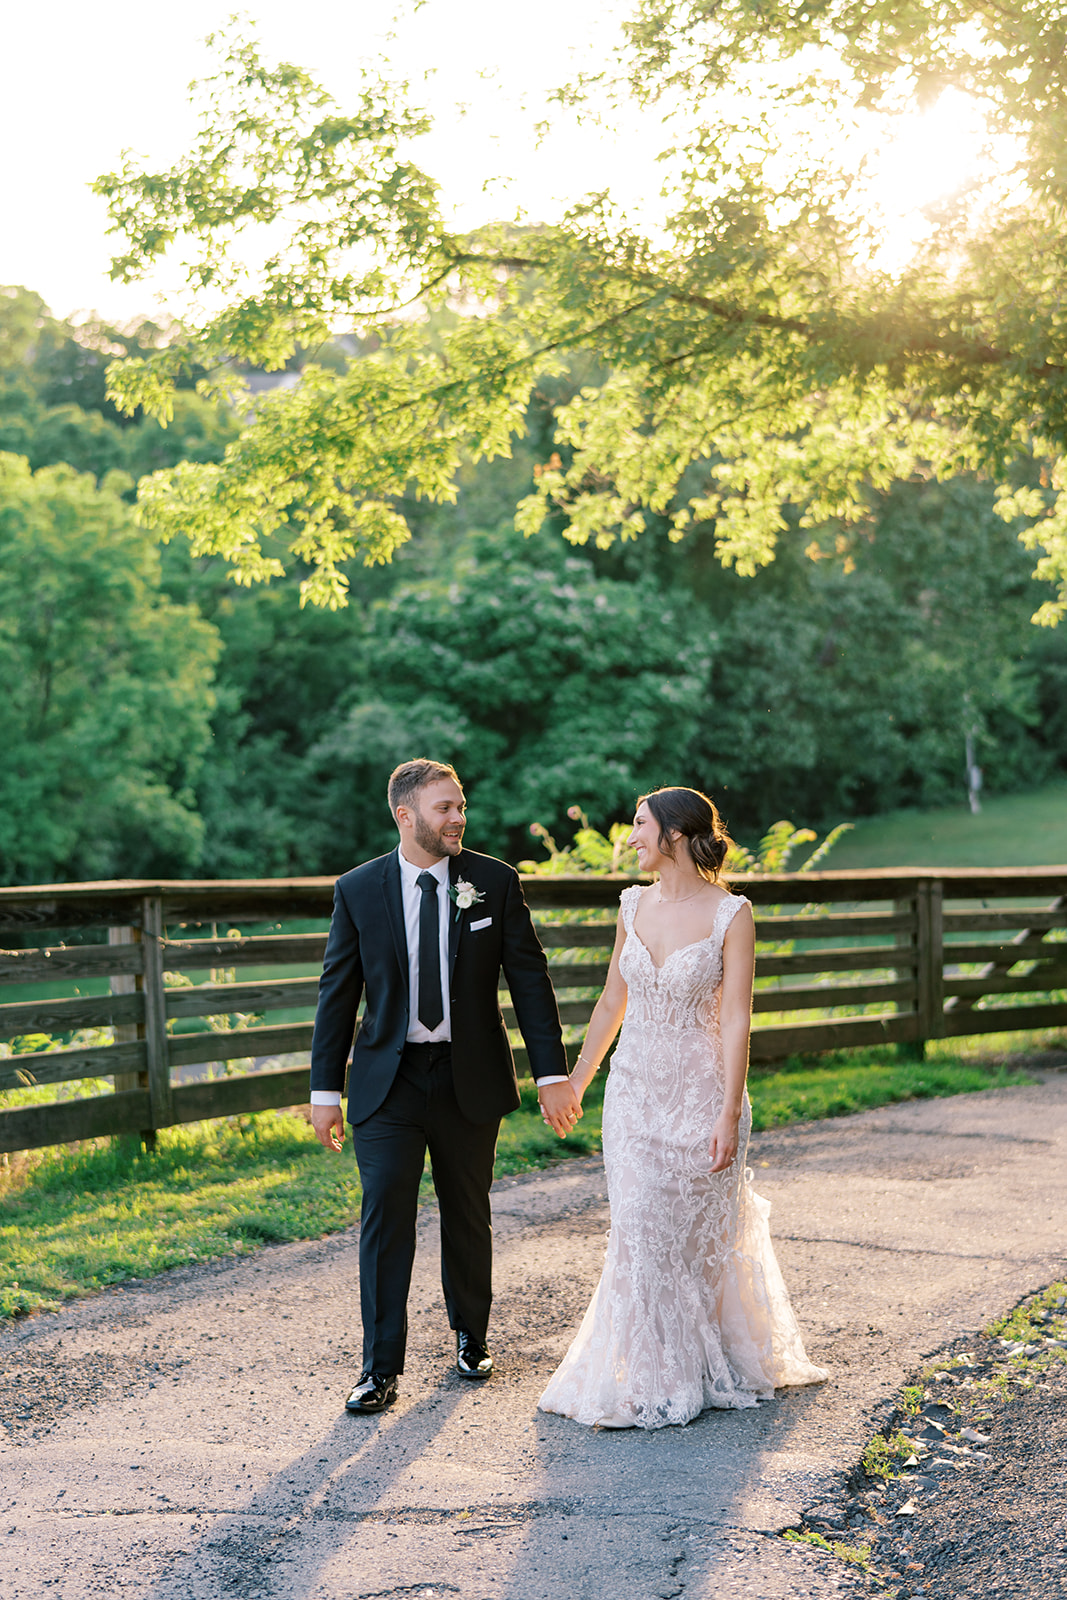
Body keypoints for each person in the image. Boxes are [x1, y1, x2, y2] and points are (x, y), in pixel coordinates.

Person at [537, 786, 827, 1429]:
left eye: (639, 826)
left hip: (702, 1097)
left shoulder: (732, 914)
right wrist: (579, 1080)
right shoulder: (630, 904)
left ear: (674, 835)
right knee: (640, 1232)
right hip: (634, 1095)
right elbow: (613, 1001)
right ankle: (650, 1377)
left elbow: (734, 1020)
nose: (630, 838)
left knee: (696, 1242)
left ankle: (700, 1358)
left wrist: (728, 1113)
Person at [310, 759, 579, 1414]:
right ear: (405, 816)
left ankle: (470, 1336)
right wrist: (324, 1090)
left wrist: (550, 1074)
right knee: (385, 1217)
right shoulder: (358, 889)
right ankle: (379, 1369)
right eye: (444, 808)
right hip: (388, 1082)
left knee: (467, 1210)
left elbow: (529, 979)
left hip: (468, 1076)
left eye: (460, 806)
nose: (458, 817)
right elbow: (337, 993)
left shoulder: (492, 881)